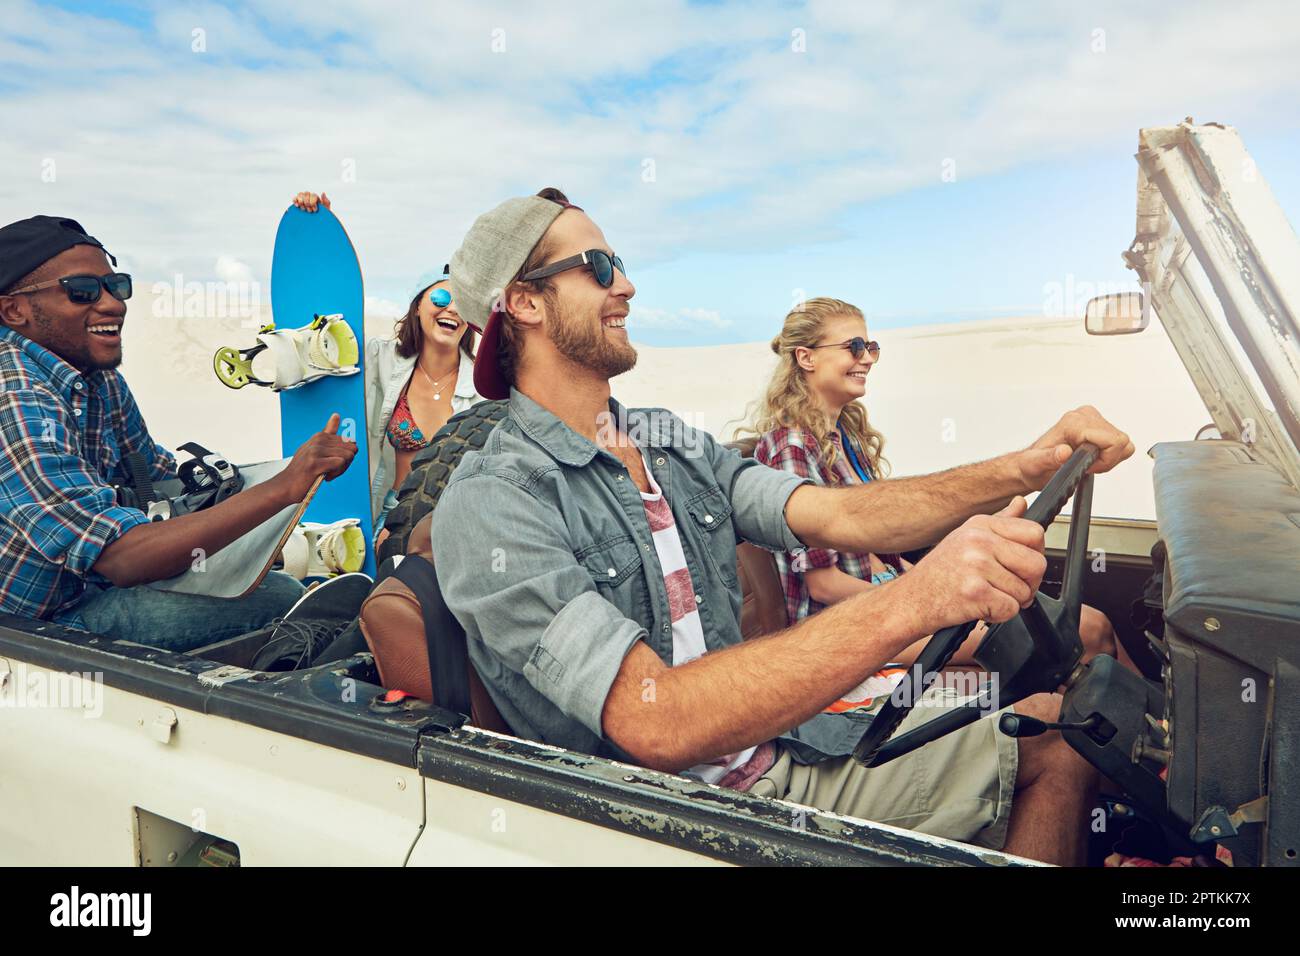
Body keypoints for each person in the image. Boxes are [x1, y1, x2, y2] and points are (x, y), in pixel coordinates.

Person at [429, 188, 1136, 865]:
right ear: (524, 302)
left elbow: (838, 511)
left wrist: (1027, 465)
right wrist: (917, 600)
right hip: (682, 819)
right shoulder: (495, 501)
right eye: (600, 267)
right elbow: (656, 721)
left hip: (785, 750)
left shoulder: (664, 441)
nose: (628, 288)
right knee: (1054, 738)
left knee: (1062, 730)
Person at [747, 296, 1136, 706]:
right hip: (845, 628)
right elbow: (822, 584)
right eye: (854, 348)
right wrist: (924, 597)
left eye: (871, 348)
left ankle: (1162, 739)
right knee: (1084, 632)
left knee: (1094, 625)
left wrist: (932, 583)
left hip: (885, 599)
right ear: (806, 358)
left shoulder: (843, 438)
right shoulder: (789, 447)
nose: (867, 359)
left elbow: (883, 555)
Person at [0, 215, 357, 650]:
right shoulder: (16, 397)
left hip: (89, 588)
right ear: (14, 310)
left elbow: (160, 479)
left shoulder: (96, 379)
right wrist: (287, 486)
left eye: (118, 286)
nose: (114, 304)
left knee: (260, 584)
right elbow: (122, 558)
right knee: (278, 599)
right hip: (33, 630)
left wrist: (248, 517)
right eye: (83, 291)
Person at [290, 192, 481, 545]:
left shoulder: (482, 386)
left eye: (463, 304)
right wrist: (322, 236)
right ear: (418, 307)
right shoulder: (381, 359)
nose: (452, 310)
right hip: (387, 512)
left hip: (453, 522)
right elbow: (328, 330)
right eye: (440, 299)